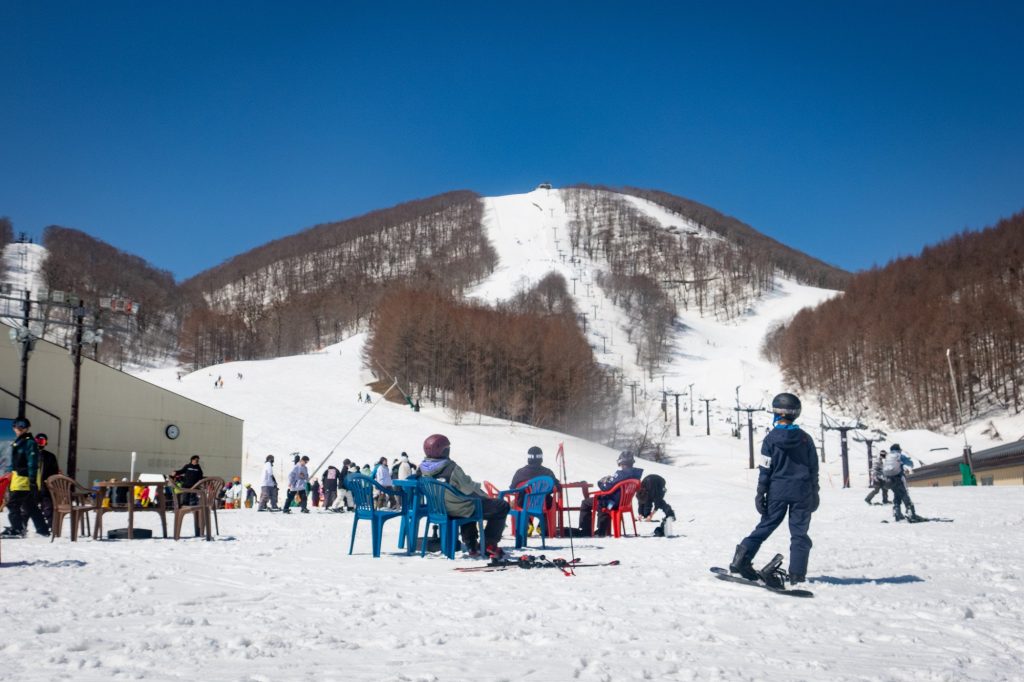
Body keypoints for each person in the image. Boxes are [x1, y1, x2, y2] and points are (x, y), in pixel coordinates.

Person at [729, 392, 819, 587]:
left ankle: (741, 559)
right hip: (802, 491)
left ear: (776, 413)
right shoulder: (806, 439)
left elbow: (765, 468)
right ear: (796, 413)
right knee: (799, 533)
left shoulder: (770, 439)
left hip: (777, 490)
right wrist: (815, 492)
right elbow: (813, 469)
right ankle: (797, 575)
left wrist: (760, 492)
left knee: (766, 525)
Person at [417, 433, 509, 559]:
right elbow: (468, 489)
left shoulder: (421, 469)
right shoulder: (451, 468)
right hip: (459, 509)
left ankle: (471, 545)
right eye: (447, 448)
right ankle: (489, 543)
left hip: (440, 509)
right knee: (501, 506)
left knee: (464, 503)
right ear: (444, 451)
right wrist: (485, 496)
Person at [576, 451, 644, 536]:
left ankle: (587, 530)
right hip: (624, 504)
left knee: (586, 503)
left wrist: (601, 481)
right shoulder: (636, 475)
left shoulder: (621, 474)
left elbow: (606, 487)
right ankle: (602, 529)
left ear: (621, 462)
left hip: (612, 504)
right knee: (604, 502)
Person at [3, 418, 50, 538]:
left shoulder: (29, 443)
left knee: (13, 504)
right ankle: (43, 530)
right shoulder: (18, 442)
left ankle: (17, 529)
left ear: (27, 428)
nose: (20, 428)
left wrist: (32, 481)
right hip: (18, 479)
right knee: (30, 505)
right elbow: (15, 461)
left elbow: (32, 463)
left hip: (25, 479)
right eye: (17, 426)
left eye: (23, 426)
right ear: (13, 427)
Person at [882, 444, 919, 521]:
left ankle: (897, 512)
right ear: (898, 449)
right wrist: (909, 463)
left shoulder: (888, 456)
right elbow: (910, 463)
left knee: (897, 494)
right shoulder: (899, 455)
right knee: (904, 494)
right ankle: (910, 513)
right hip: (898, 478)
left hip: (888, 480)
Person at [34, 433, 61, 523]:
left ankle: (50, 526)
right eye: (38, 441)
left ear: (45, 443)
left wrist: (50, 483)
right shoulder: (30, 455)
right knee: (27, 509)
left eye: (42, 441)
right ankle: (21, 527)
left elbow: (55, 472)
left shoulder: (50, 456)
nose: (39, 444)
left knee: (48, 508)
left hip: (45, 488)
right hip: (32, 487)